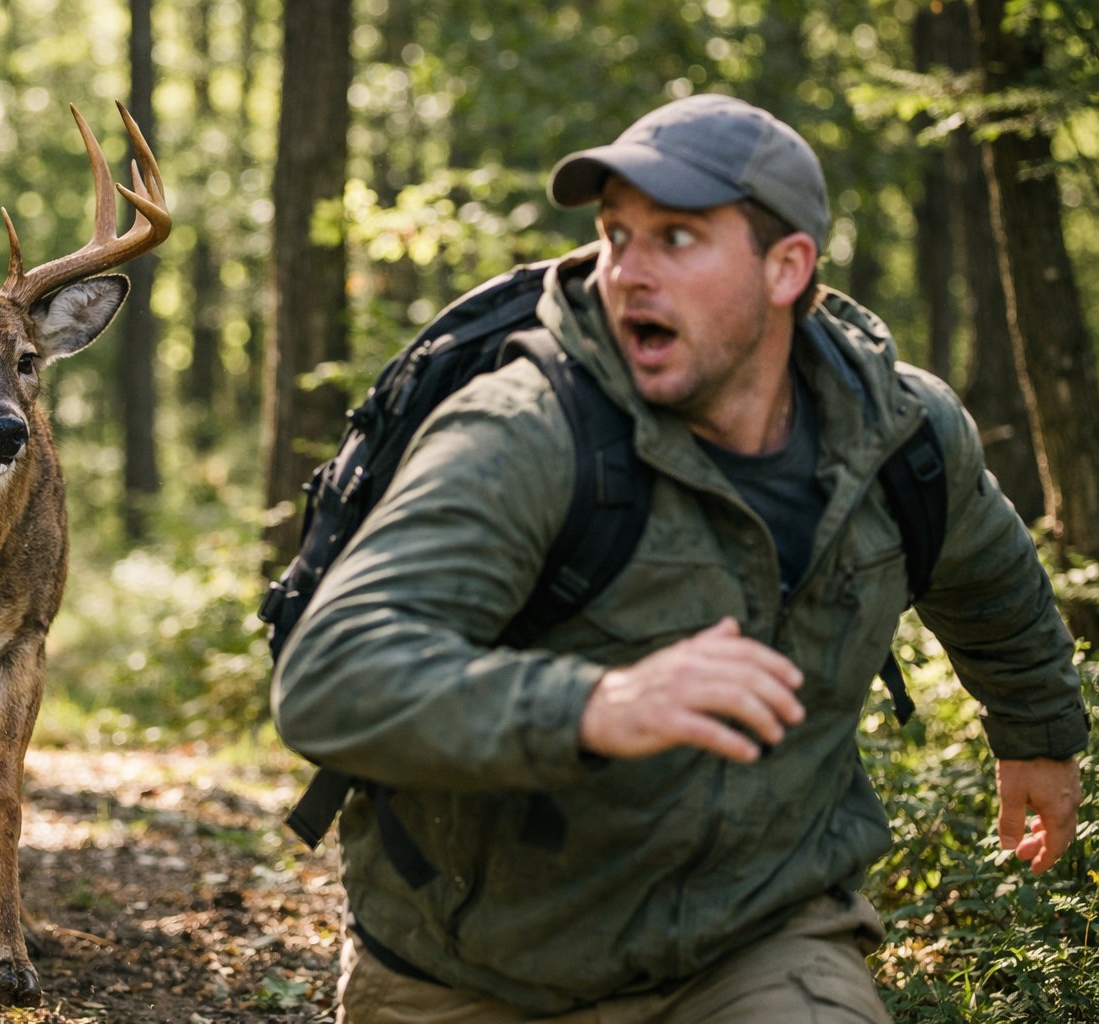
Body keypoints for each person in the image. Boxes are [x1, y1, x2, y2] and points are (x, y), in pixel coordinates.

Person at [271, 93, 1089, 1023]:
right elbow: (332, 677)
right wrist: (598, 705)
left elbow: (991, 580)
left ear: (788, 268)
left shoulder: (900, 436)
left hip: (753, 944)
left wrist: (1039, 734)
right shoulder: (524, 436)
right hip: (469, 971)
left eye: (678, 239)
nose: (628, 272)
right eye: (617, 236)